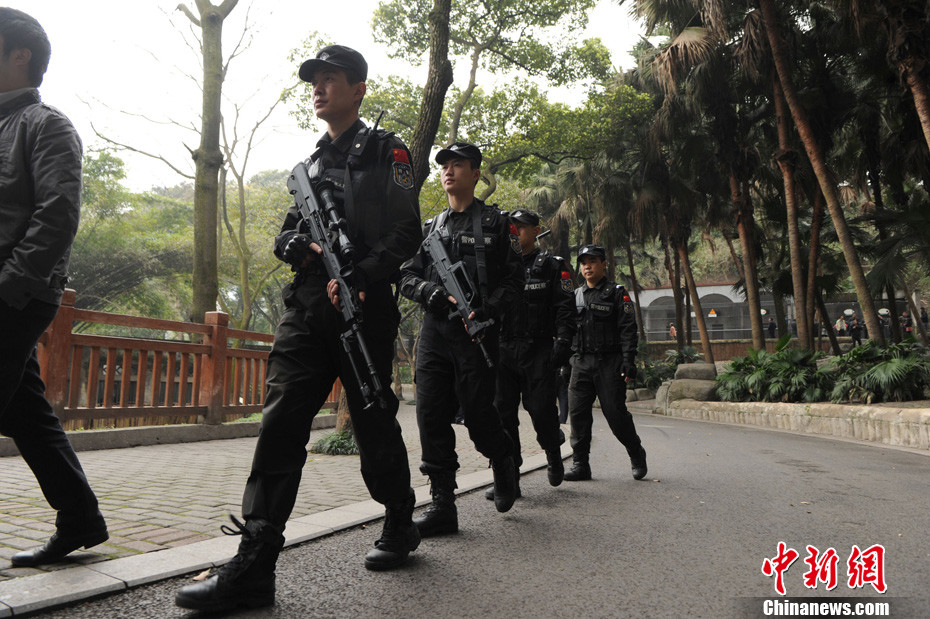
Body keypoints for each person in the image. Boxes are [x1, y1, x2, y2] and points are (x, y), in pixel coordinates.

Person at [176, 45, 422, 612]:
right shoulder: (307, 168)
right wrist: (292, 245)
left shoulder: (390, 151)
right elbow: (287, 234)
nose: (318, 88)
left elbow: (406, 231)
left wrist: (360, 274)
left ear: (358, 88)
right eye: (314, 80)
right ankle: (256, 563)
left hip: (363, 305)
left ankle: (400, 514)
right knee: (282, 419)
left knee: (372, 418)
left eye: (330, 79)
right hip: (308, 309)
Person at [0, 8, 109, 568]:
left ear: (20, 56)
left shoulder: (46, 125)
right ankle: (81, 518)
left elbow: (58, 214)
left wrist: (10, 285)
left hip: (17, 292)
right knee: (24, 411)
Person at [399, 141, 524, 536]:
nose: (449, 171)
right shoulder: (430, 228)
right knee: (430, 413)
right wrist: (427, 292)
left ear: (475, 173)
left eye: (458, 165)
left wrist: (489, 309)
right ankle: (442, 504)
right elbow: (405, 275)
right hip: (435, 332)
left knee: (478, 413)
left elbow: (514, 280)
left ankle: (502, 459)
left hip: (477, 334)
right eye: (444, 166)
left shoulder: (497, 224)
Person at [485, 209, 574, 502]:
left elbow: (565, 307)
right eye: (511, 228)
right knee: (503, 415)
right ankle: (510, 477)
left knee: (540, 410)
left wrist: (562, 342)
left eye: (521, 228)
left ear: (536, 231)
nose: (515, 232)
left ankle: (553, 451)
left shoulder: (551, 265)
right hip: (503, 349)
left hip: (538, 350)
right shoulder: (496, 266)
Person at [564, 244, 647, 482]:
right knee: (577, 414)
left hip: (609, 363)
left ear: (603, 264)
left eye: (592, 261)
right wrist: (565, 361)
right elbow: (568, 330)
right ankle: (581, 465)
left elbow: (628, 329)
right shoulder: (576, 295)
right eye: (583, 262)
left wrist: (628, 361)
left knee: (614, 413)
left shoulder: (616, 293)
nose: (587, 266)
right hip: (580, 362)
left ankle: (635, 452)